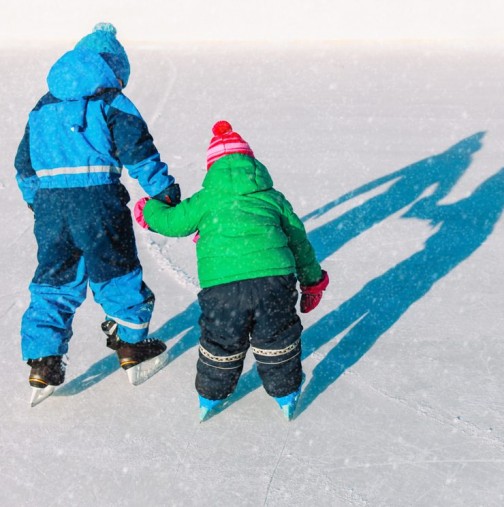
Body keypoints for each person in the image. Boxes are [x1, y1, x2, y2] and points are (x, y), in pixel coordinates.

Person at [14, 23, 181, 404]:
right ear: (113, 68)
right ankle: (130, 344)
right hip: (100, 202)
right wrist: (163, 191)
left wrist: (35, 199)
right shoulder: (111, 101)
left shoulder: (42, 107)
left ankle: (43, 359)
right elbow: (138, 152)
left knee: (54, 281)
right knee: (116, 270)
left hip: (52, 209)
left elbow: (24, 164)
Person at [134, 120, 329, 420]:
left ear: (212, 168)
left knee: (221, 340)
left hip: (222, 288)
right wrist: (312, 282)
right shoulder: (272, 197)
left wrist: (149, 210)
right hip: (274, 281)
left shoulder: (207, 199)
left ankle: (210, 397)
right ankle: (286, 392)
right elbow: (299, 242)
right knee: (276, 336)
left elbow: (173, 223)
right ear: (252, 163)